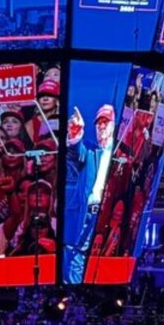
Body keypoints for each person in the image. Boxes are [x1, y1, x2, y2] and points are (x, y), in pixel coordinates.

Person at [64, 104, 115, 283]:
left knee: (105, 256)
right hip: (87, 213)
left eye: (106, 122)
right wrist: (75, 134)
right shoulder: (90, 151)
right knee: (76, 256)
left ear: (115, 125)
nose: (101, 126)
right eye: (98, 123)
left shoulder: (121, 154)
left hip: (109, 216)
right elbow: (75, 152)